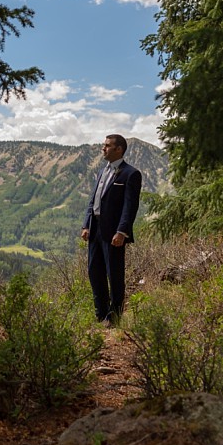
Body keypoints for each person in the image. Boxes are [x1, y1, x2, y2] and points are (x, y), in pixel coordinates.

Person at [81, 134, 142, 325]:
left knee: (114, 273)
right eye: (104, 145)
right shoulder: (102, 172)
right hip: (95, 229)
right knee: (94, 271)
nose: (103, 148)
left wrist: (121, 232)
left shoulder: (130, 174)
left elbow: (130, 206)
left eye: (107, 146)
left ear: (119, 149)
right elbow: (94, 200)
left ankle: (114, 316)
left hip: (114, 232)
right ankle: (100, 314)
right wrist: (86, 224)